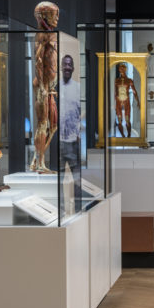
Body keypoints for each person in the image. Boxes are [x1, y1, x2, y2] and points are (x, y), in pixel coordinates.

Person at [30, 1, 59, 173]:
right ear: (44, 16)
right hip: (43, 85)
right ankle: (40, 164)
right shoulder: (41, 35)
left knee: (53, 125)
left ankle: (36, 158)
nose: (56, 18)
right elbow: (38, 60)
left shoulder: (52, 34)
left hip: (50, 86)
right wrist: (41, 85)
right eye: (53, 15)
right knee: (42, 124)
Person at [59, 54, 84, 209]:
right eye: (65, 64)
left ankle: (79, 209)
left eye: (70, 65)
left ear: (73, 68)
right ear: (61, 67)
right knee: (59, 179)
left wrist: (79, 133)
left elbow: (81, 113)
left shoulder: (78, 88)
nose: (67, 67)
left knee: (77, 179)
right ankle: (60, 210)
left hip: (74, 142)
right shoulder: (56, 88)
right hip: (59, 142)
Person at [113, 61, 139, 137]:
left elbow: (134, 91)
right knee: (119, 120)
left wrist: (138, 101)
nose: (121, 70)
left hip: (126, 101)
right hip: (118, 101)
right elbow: (114, 92)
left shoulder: (129, 80)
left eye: (122, 69)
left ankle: (129, 135)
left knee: (127, 120)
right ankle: (123, 136)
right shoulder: (116, 81)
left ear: (125, 70)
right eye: (120, 69)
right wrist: (113, 103)